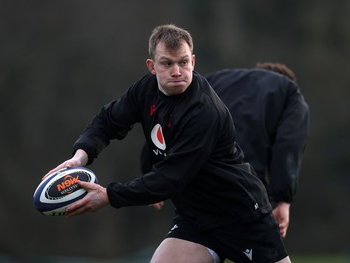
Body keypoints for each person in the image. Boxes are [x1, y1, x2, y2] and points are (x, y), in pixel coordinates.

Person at [44, 24, 292, 263]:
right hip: (195, 218)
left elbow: (171, 177)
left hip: (241, 216)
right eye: (167, 63)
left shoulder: (204, 111)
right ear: (152, 66)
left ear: (193, 61)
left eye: (183, 62)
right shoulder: (145, 90)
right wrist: (80, 157)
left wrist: (110, 195)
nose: (177, 71)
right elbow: (108, 121)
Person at [142, 63, 309, 239]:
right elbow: (287, 144)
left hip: (198, 186)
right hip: (243, 188)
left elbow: (168, 121)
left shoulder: (215, 80)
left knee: (188, 246)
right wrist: (284, 200)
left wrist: (151, 171)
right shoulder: (289, 92)